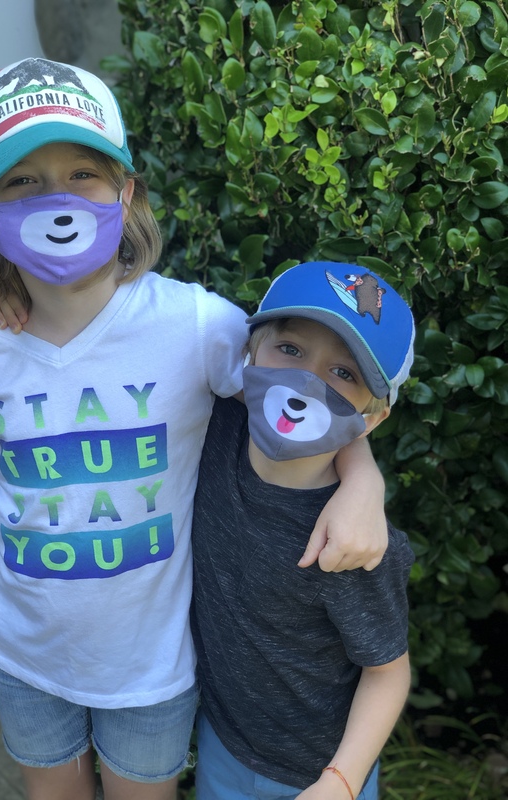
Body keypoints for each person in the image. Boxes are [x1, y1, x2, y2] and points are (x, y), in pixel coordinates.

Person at [0, 57, 386, 800]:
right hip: (20, 655)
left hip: (151, 669)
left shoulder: (196, 326)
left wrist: (364, 482)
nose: (56, 200)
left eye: (83, 174)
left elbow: (301, 400)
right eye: (22, 181)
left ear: (126, 191)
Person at [191, 261, 416, 800]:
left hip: (321, 774)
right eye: (290, 349)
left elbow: (388, 673)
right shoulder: (212, 427)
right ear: (249, 354)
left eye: (344, 373)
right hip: (222, 743)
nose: (306, 382)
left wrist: (341, 782)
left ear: (371, 419)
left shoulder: (356, 545)